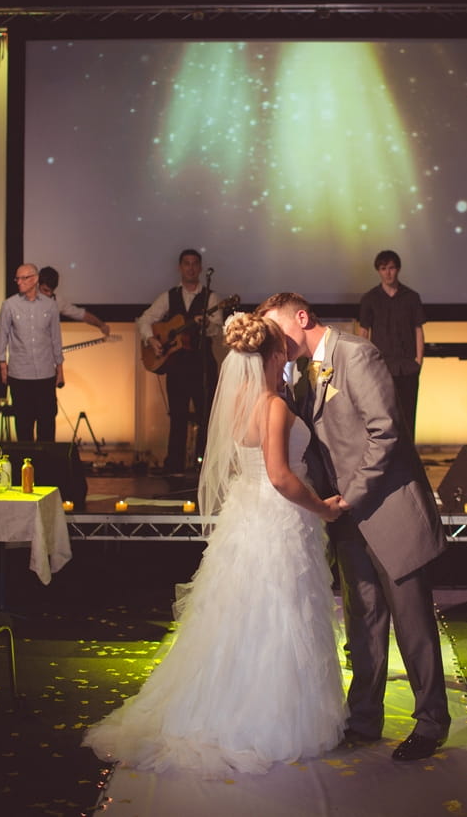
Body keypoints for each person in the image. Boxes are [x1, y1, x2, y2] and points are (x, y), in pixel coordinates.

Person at [83, 313, 346, 777]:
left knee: (241, 614)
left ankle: (220, 707)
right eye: (283, 345)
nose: (289, 350)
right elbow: (282, 478)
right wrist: (324, 508)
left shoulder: (237, 403)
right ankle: (270, 718)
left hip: (246, 517)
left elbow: (241, 468)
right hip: (280, 518)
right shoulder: (274, 406)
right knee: (281, 613)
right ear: (273, 354)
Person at [257, 292, 450, 761]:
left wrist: (350, 496)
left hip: (387, 507)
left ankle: (431, 723)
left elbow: (387, 431)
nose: (275, 342)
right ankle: (364, 717)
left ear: (302, 317)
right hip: (344, 517)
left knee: (413, 622)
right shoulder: (302, 373)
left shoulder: (357, 354)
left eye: (277, 330)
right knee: (362, 622)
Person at [137, 250, 222, 474]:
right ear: (180, 267)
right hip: (177, 366)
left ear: (201, 268)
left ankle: (203, 466)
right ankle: (174, 466)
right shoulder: (169, 296)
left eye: (195, 264)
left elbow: (217, 328)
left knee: (206, 416)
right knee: (177, 416)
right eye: (187, 264)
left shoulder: (211, 298)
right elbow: (146, 318)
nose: (191, 268)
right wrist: (151, 339)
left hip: (203, 364)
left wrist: (205, 324)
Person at [358, 250, 425, 442]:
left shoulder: (411, 297)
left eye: (392, 268)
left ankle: (409, 461)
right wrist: (364, 364)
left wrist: (419, 361)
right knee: (383, 415)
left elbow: (418, 329)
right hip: (381, 366)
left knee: (408, 414)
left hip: (407, 366)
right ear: (378, 271)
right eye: (383, 268)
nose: (388, 273)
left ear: (398, 269)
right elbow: (364, 333)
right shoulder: (370, 299)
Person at [0, 263, 64, 441]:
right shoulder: (10, 305)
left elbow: (56, 339)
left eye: (23, 278)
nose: (18, 282)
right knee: (24, 425)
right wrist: (3, 366)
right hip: (20, 375)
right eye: (17, 278)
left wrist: (60, 371)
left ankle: (45, 467)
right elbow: (0, 336)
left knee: (47, 424)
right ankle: (25, 466)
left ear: (34, 279)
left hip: (46, 374)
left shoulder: (50, 306)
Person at [38, 266, 110, 335]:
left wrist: (101, 325)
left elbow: (82, 315)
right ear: (38, 284)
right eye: (45, 290)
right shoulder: (27, 298)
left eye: (52, 291)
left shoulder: (57, 301)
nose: (49, 294)